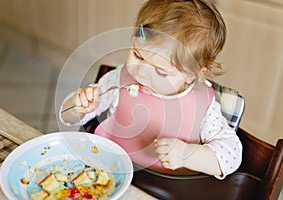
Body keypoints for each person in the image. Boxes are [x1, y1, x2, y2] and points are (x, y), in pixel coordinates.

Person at [60, 0, 242, 180]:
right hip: (107, 172)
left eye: (160, 72)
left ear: (193, 74)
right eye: (138, 55)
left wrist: (188, 154)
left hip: (164, 188)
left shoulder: (202, 103)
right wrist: (77, 107)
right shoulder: (119, 79)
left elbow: (232, 155)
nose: (141, 73)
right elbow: (67, 116)